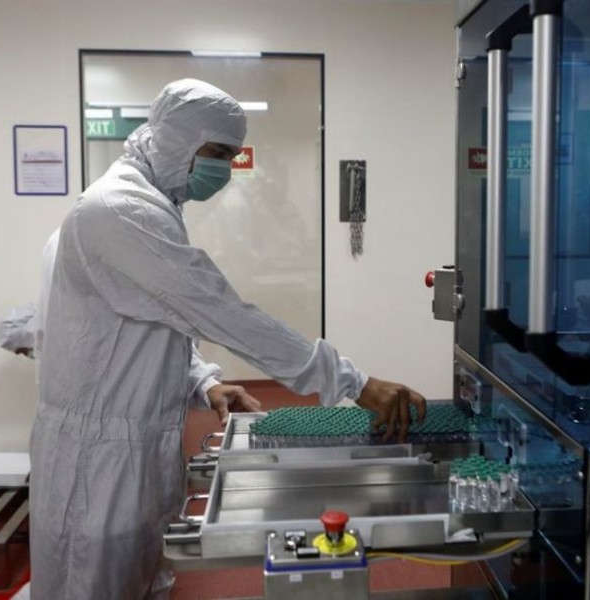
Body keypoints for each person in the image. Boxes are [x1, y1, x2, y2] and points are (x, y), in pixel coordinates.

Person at [28, 78, 427, 600]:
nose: (223, 170)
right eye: (217, 153)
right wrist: (352, 380)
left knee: (142, 583)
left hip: (135, 446)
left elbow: (152, 321)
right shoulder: (120, 210)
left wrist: (205, 383)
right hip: (97, 464)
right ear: (176, 139)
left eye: (231, 156)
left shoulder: (149, 205)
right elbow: (219, 310)